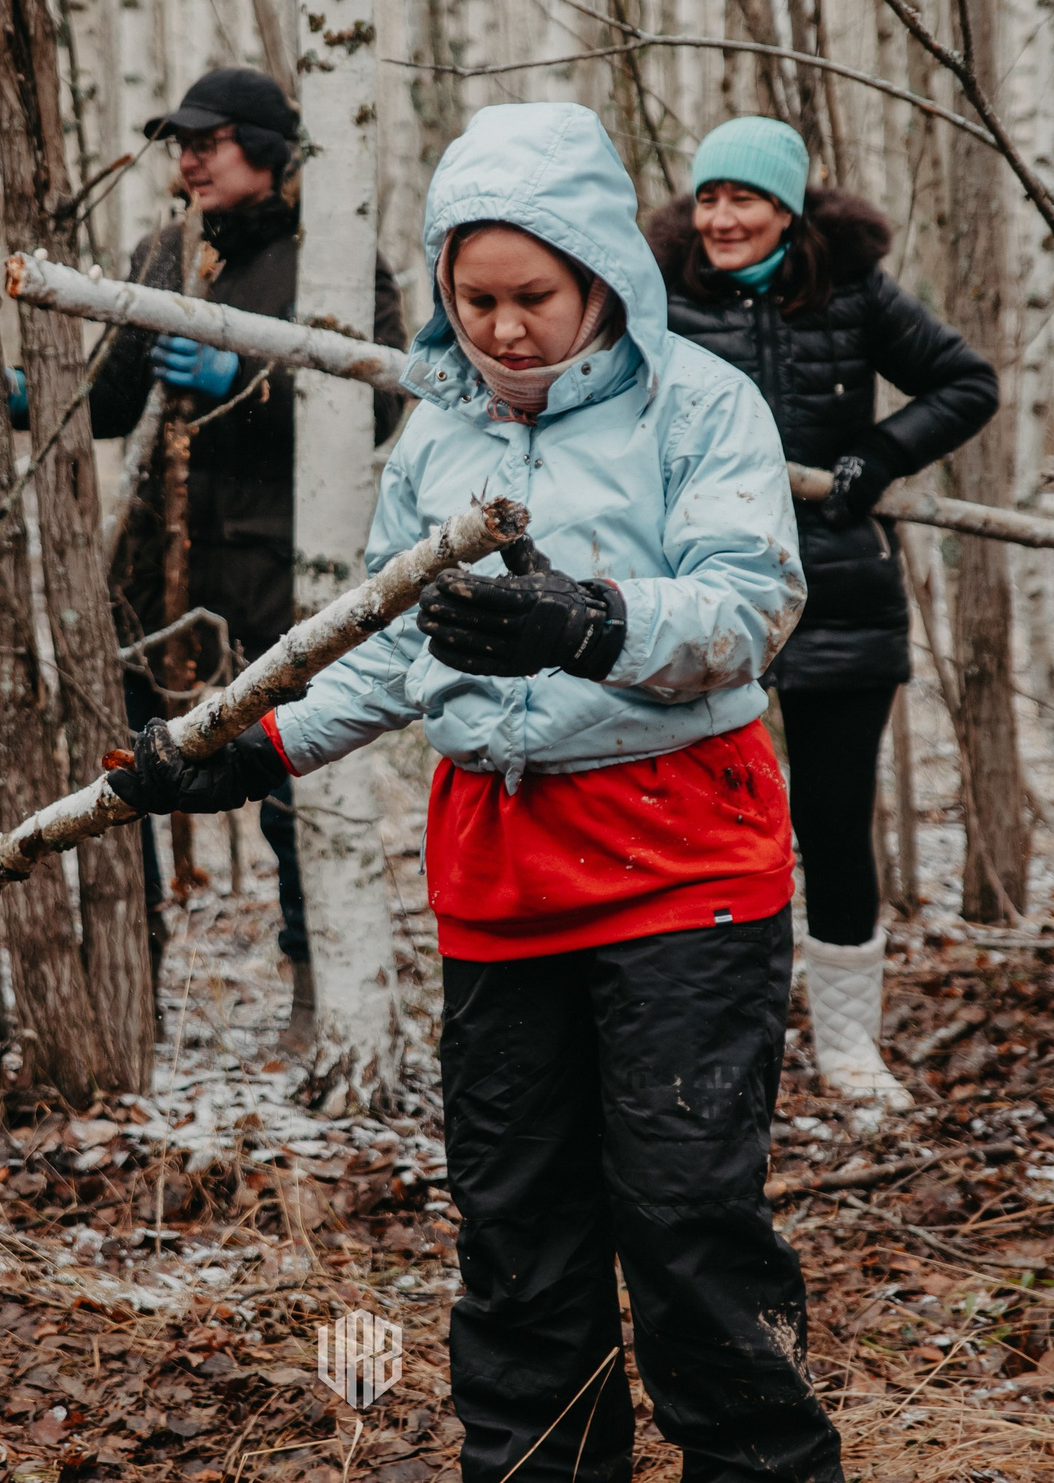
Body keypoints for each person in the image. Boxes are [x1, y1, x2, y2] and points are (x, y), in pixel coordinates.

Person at [112, 103, 843, 1483]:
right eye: (476, 298)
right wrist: (253, 748)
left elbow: (748, 609)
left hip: (681, 862)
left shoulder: (698, 403)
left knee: (686, 1223)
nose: (505, 329)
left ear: (601, 277)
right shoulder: (438, 439)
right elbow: (387, 652)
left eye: (536, 298)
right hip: (501, 881)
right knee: (517, 1230)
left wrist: (587, 622)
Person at [646, 116, 998, 1110]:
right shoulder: (659, 297)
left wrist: (880, 454)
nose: (721, 217)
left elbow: (966, 383)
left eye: (744, 199)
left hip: (841, 593)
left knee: (834, 827)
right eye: (709, 197)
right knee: (707, 829)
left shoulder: (852, 291)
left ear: (787, 209)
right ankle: (717, 1040)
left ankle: (848, 1050)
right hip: (709, 601)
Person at [88, 67, 409, 1040]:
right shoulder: (162, 251)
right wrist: (27, 389)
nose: (187, 156)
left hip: (279, 576)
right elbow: (107, 405)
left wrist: (252, 378)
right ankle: (125, 991)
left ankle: (317, 994)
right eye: (177, 141)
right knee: (121, 774)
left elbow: (380, 403)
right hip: (155, 577)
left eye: (209, 139)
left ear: (266, 149)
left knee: (287, 793)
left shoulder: (336, 254)